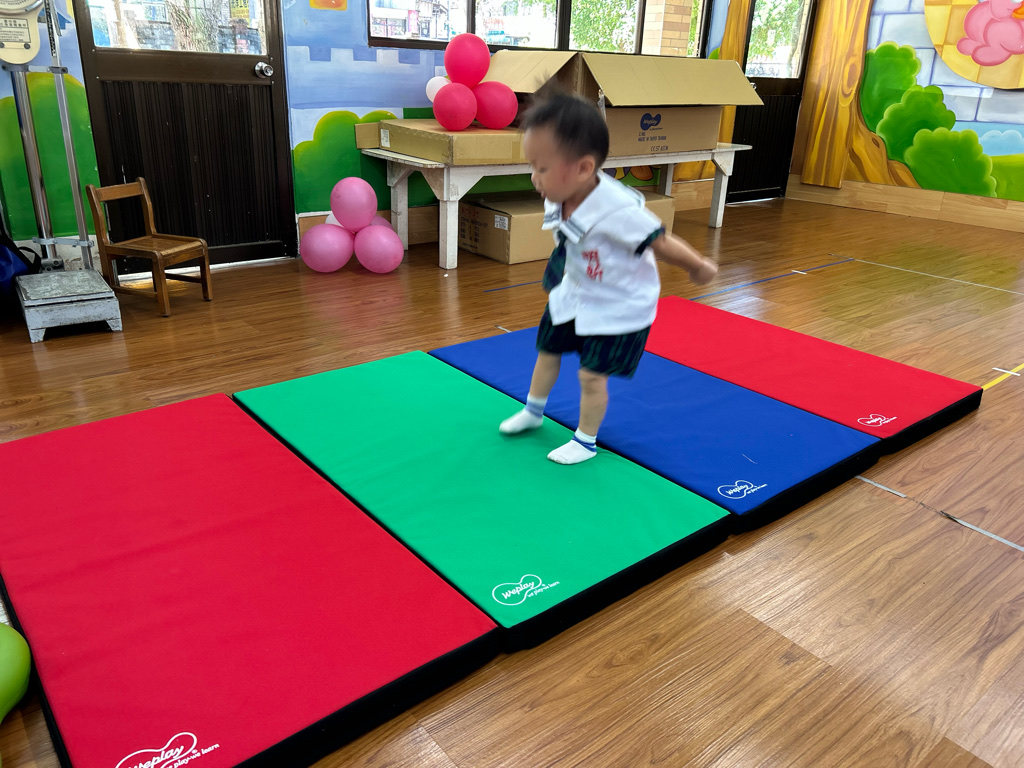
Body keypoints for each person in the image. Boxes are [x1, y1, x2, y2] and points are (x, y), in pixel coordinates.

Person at [499, 93, 719, 465]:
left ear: (584, 168)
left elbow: (661, 242)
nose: (534, 178)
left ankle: (585, 441)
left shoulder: (619, 211)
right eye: (531, 166)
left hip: (618, 303)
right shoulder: (560, 191)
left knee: (591, 376)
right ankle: (533, 411)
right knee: (548, 351)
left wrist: (697, 266)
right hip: (576, 288)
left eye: (542, 168)